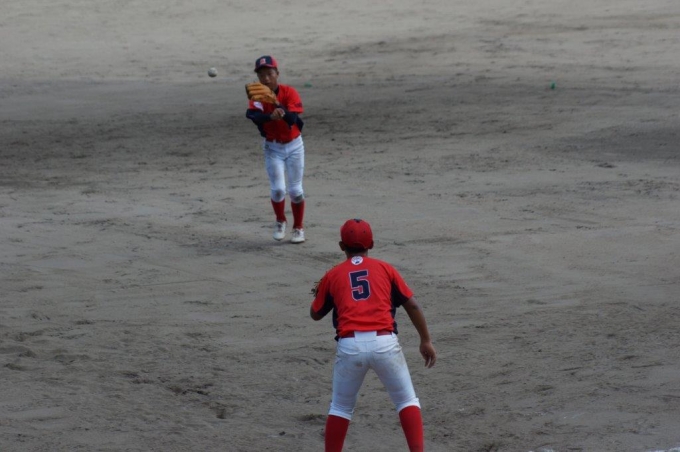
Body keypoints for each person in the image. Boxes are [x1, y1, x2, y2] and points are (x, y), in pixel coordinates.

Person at [310, 219, 437, 452]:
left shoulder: (333, 275)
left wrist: (322, 290)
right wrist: (425, 340)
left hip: (350, 346)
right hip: (385, 344)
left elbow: (315, 314)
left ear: (341, 246)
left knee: (340, 408)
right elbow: (413, 305)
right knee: (406, 401)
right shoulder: (386, 269)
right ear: (372, 244)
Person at [245, 55, 306, 243]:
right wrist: (270, 116)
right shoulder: (257, 95)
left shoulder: (289, 92)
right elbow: (252, 116)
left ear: (277, 74)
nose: (266, 78)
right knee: (278, 190)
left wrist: (278, 106)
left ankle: (298, 227)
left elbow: (293, 119)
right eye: (261, 75)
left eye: (269, 74)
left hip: (294, 146)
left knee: (296, 191)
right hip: (273, 148)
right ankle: (280, 220)